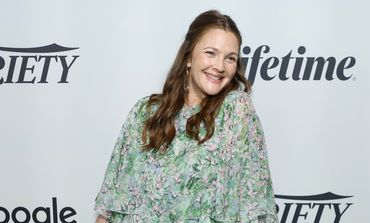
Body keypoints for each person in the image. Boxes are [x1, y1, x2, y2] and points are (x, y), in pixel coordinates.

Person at [94, 10, 279, 223]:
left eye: (230, 58)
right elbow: (111, 204)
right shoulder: (144, 112)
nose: (219, 67)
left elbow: (254, 202)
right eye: (211, 53)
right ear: (189, 56)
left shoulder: (235, 111)